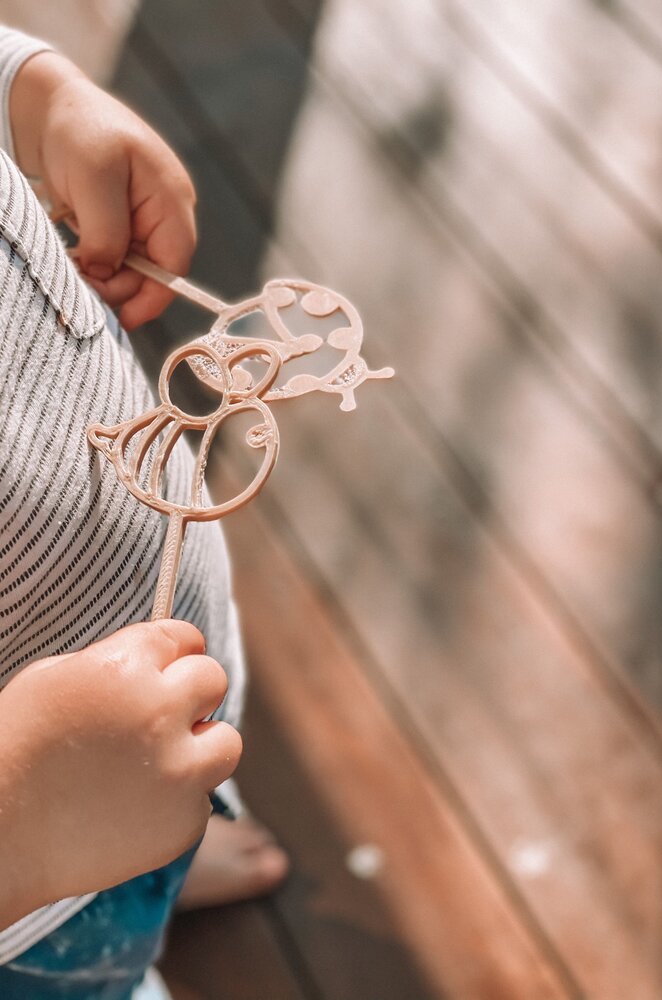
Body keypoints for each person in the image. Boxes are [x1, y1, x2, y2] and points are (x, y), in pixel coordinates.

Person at [0, 26, 287, 1000]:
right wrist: (22, 833)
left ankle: (149, 853)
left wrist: (32, 97)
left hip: (114, 753)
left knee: (154, 811)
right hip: (23, 908)